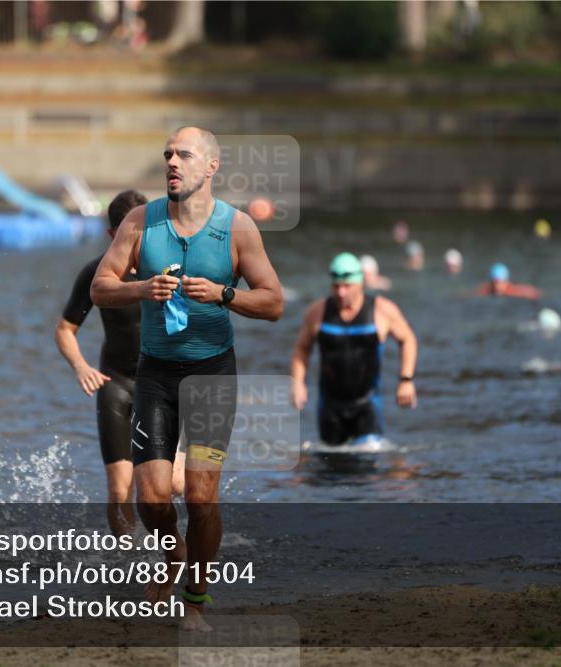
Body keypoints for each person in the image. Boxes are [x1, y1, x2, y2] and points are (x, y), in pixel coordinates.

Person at [91, 126, 283, 631]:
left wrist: (224, 295)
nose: (172, 162)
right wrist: (141, 289)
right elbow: (100, 287)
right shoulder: (140, 222)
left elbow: (274, 302)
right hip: (154, 374)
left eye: (184, 155)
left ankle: (195, 601)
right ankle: (170, 553)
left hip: (212, 374)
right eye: (167, 155)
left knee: (201, 498)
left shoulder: (237, 228)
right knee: (151, 498)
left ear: (211, 167)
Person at [56, 191, 186, 536]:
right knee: (119, 489)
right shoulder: (96, 275)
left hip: (162, 385)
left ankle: (173, 546)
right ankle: (126, 559)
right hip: (115, 383)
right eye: (128, 231)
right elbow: (65, 330)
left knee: (172, 486)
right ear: (112, 235)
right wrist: (81, 366)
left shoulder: (171, 271)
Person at [290, 252, 418, 446]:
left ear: (361, 283)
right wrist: (298, 382)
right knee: (329, 468)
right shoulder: (317, 312)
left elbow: (407, 339)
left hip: (367, 404)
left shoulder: (382, 310)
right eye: (336, 286)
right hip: (330, 406)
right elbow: (302, 349)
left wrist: (406, 379)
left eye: (347, 286)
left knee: (367, 465)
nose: (341, 292)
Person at [477, 263, 541, 300]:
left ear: (506, 282)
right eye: (495, 282)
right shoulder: (487, 290)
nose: (497, 286)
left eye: (500, 282)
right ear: (491, 282)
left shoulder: (513, 292)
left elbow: (534, 292)